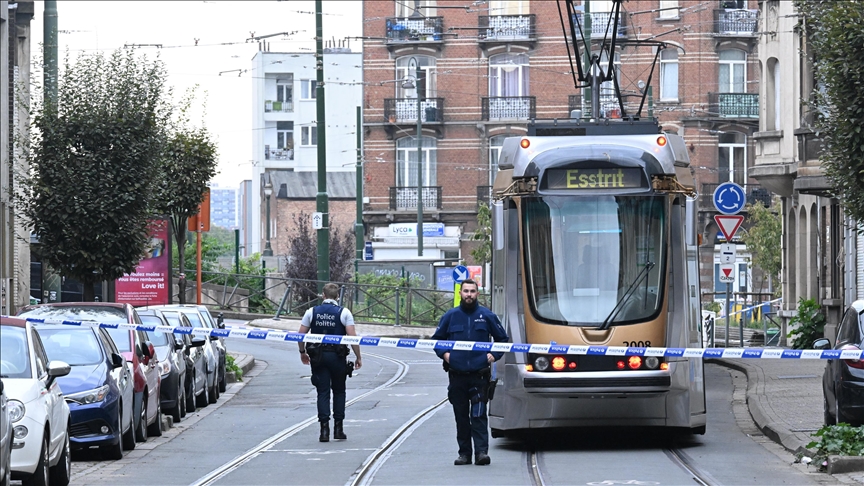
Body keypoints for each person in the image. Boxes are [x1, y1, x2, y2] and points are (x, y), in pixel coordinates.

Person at [432, 279, 509, 466]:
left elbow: (503, 339)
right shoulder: (450, 316)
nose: (469, 294)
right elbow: (437, 340)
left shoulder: (487, 316)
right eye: (465, 291)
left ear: (478, 294)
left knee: (478, 415)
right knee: (461, 416)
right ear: (460, 293)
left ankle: (481, 453)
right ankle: (464, 454)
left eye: (472, 291)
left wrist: (493, 355)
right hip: (457, 375)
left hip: (479, 375)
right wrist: (446, 355)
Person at [298, 283, 363, 442]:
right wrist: (358, 356)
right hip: (337, 357)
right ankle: (338, 429)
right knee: (339, 391)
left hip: (318, 357)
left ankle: (324, 431)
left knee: (323, 392)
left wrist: (302, 352)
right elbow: (352, 337)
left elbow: (300, 335)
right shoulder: (344, 312)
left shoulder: (311, 312)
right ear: (338, 297)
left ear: (323, 295)